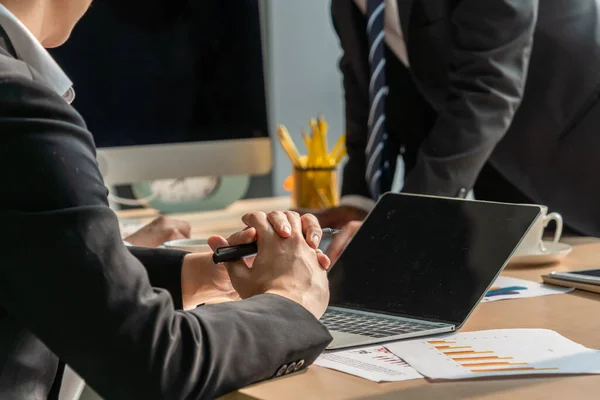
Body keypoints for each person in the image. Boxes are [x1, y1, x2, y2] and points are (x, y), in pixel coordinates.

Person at [0, 1, 333, 399]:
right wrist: (291, 300)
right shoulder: (18, 105)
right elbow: (152, 362)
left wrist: (198, 274)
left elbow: (36, 254)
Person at [316, 0, 600, 261]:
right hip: (500, 171)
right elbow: (371, 85)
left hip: (581, 150)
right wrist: (360, 201)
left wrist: (405, 216)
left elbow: (488, 90)